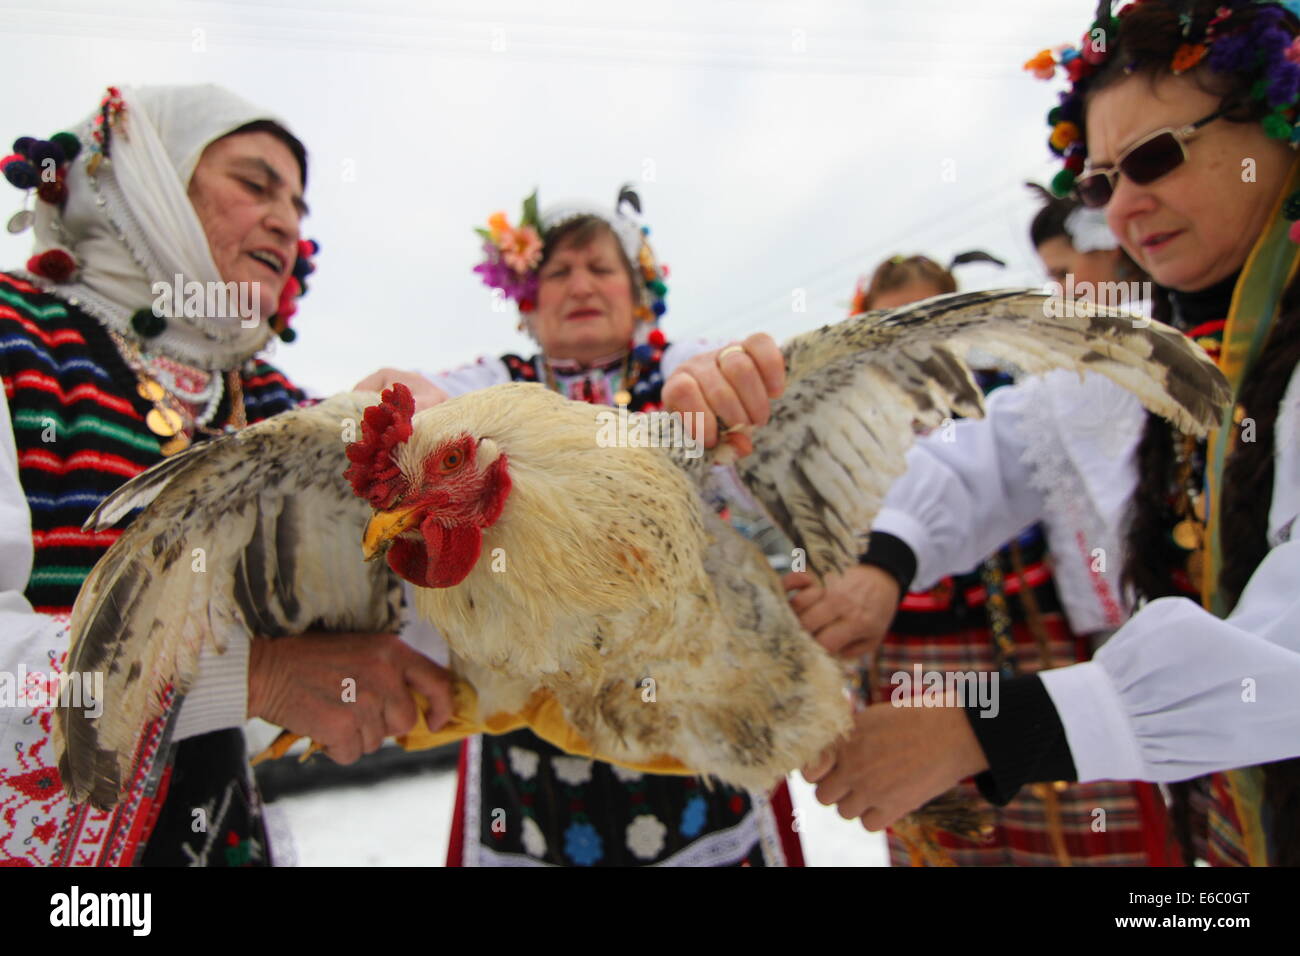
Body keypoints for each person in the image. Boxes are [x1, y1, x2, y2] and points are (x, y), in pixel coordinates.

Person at [800, 0, 1300, 867]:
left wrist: (983, 729)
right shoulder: (1147, 353)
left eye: (1154, 158)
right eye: (1101, 184)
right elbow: (990, 454)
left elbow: (1280, 664)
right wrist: (883, 566)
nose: (1127, 206)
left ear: (1280, 129)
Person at [0, 84, 449, 866]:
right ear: (151, 183)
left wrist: (434, 478)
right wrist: (254, 676)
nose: (288, 221)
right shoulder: (15, 340)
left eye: (300, 204)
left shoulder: (274, 406)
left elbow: (396, 633)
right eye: (254, 183)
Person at [357, 187, 805, 866]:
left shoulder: (685, 370)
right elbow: (416, 413)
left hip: (692, 715)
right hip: (529, 743)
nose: (581, 285)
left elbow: (765, 446)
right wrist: (400, 408)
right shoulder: (490, 386)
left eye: (601, 268)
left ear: (639, 293)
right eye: (558, 273)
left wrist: (735, 389)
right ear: (528, 308)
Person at [825, 248, 1181, 866]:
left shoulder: (1009, 396)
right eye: (894, 325)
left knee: (1063, 802)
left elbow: (1030, 493)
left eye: (931, 319)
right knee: (936, 806)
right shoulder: (845, 429)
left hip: (1024, 633)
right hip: (903, 647)